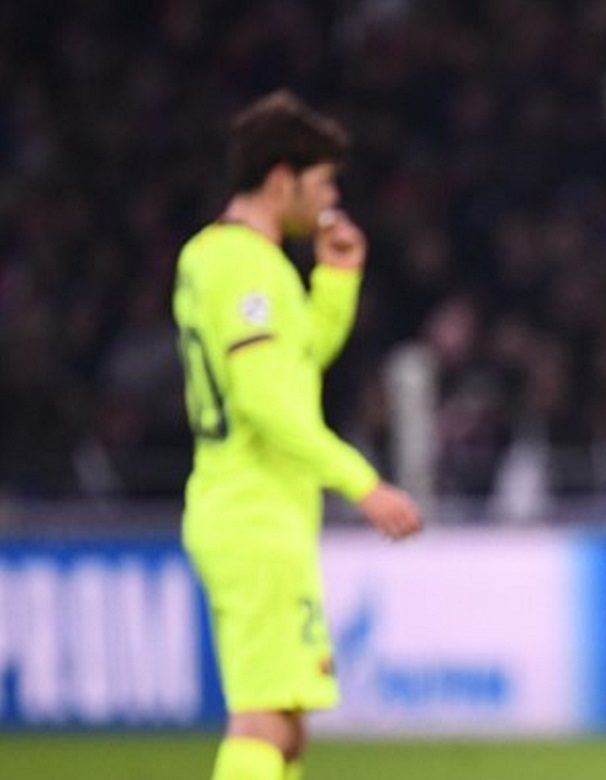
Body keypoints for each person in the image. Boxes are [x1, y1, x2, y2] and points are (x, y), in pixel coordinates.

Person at [174, 91, 423, 780]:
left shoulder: (224, 259)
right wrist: (362, 482)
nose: (332, 198)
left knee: (283, 728)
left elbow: (295, 361)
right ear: (282, 179)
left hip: (251, 509)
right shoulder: (244, 265)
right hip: (251, 513)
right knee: (263, 721)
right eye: (324, 182)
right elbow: (265, 403)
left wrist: (336, 280)